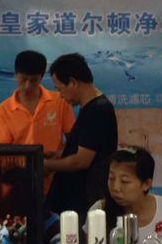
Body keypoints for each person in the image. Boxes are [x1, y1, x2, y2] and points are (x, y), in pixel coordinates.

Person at [44, 53, 118, 230]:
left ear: (73, 82)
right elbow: (82, 149)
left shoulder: (98, 110)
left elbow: (82, 160)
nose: (60, 96)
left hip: (86, 204)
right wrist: (57, 155)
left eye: (60, 89)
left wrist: (48, 165)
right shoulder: (90, 108)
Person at [0, 50, 76, 194]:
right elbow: (4, 152)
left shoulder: (60, 101)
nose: (27, 85)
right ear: (16, 75)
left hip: (56, 180)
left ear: (42, 77)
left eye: (33, 80)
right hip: (20, 182)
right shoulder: (4, 109)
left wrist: (56, 157)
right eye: (23, 79)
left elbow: (74, 141)